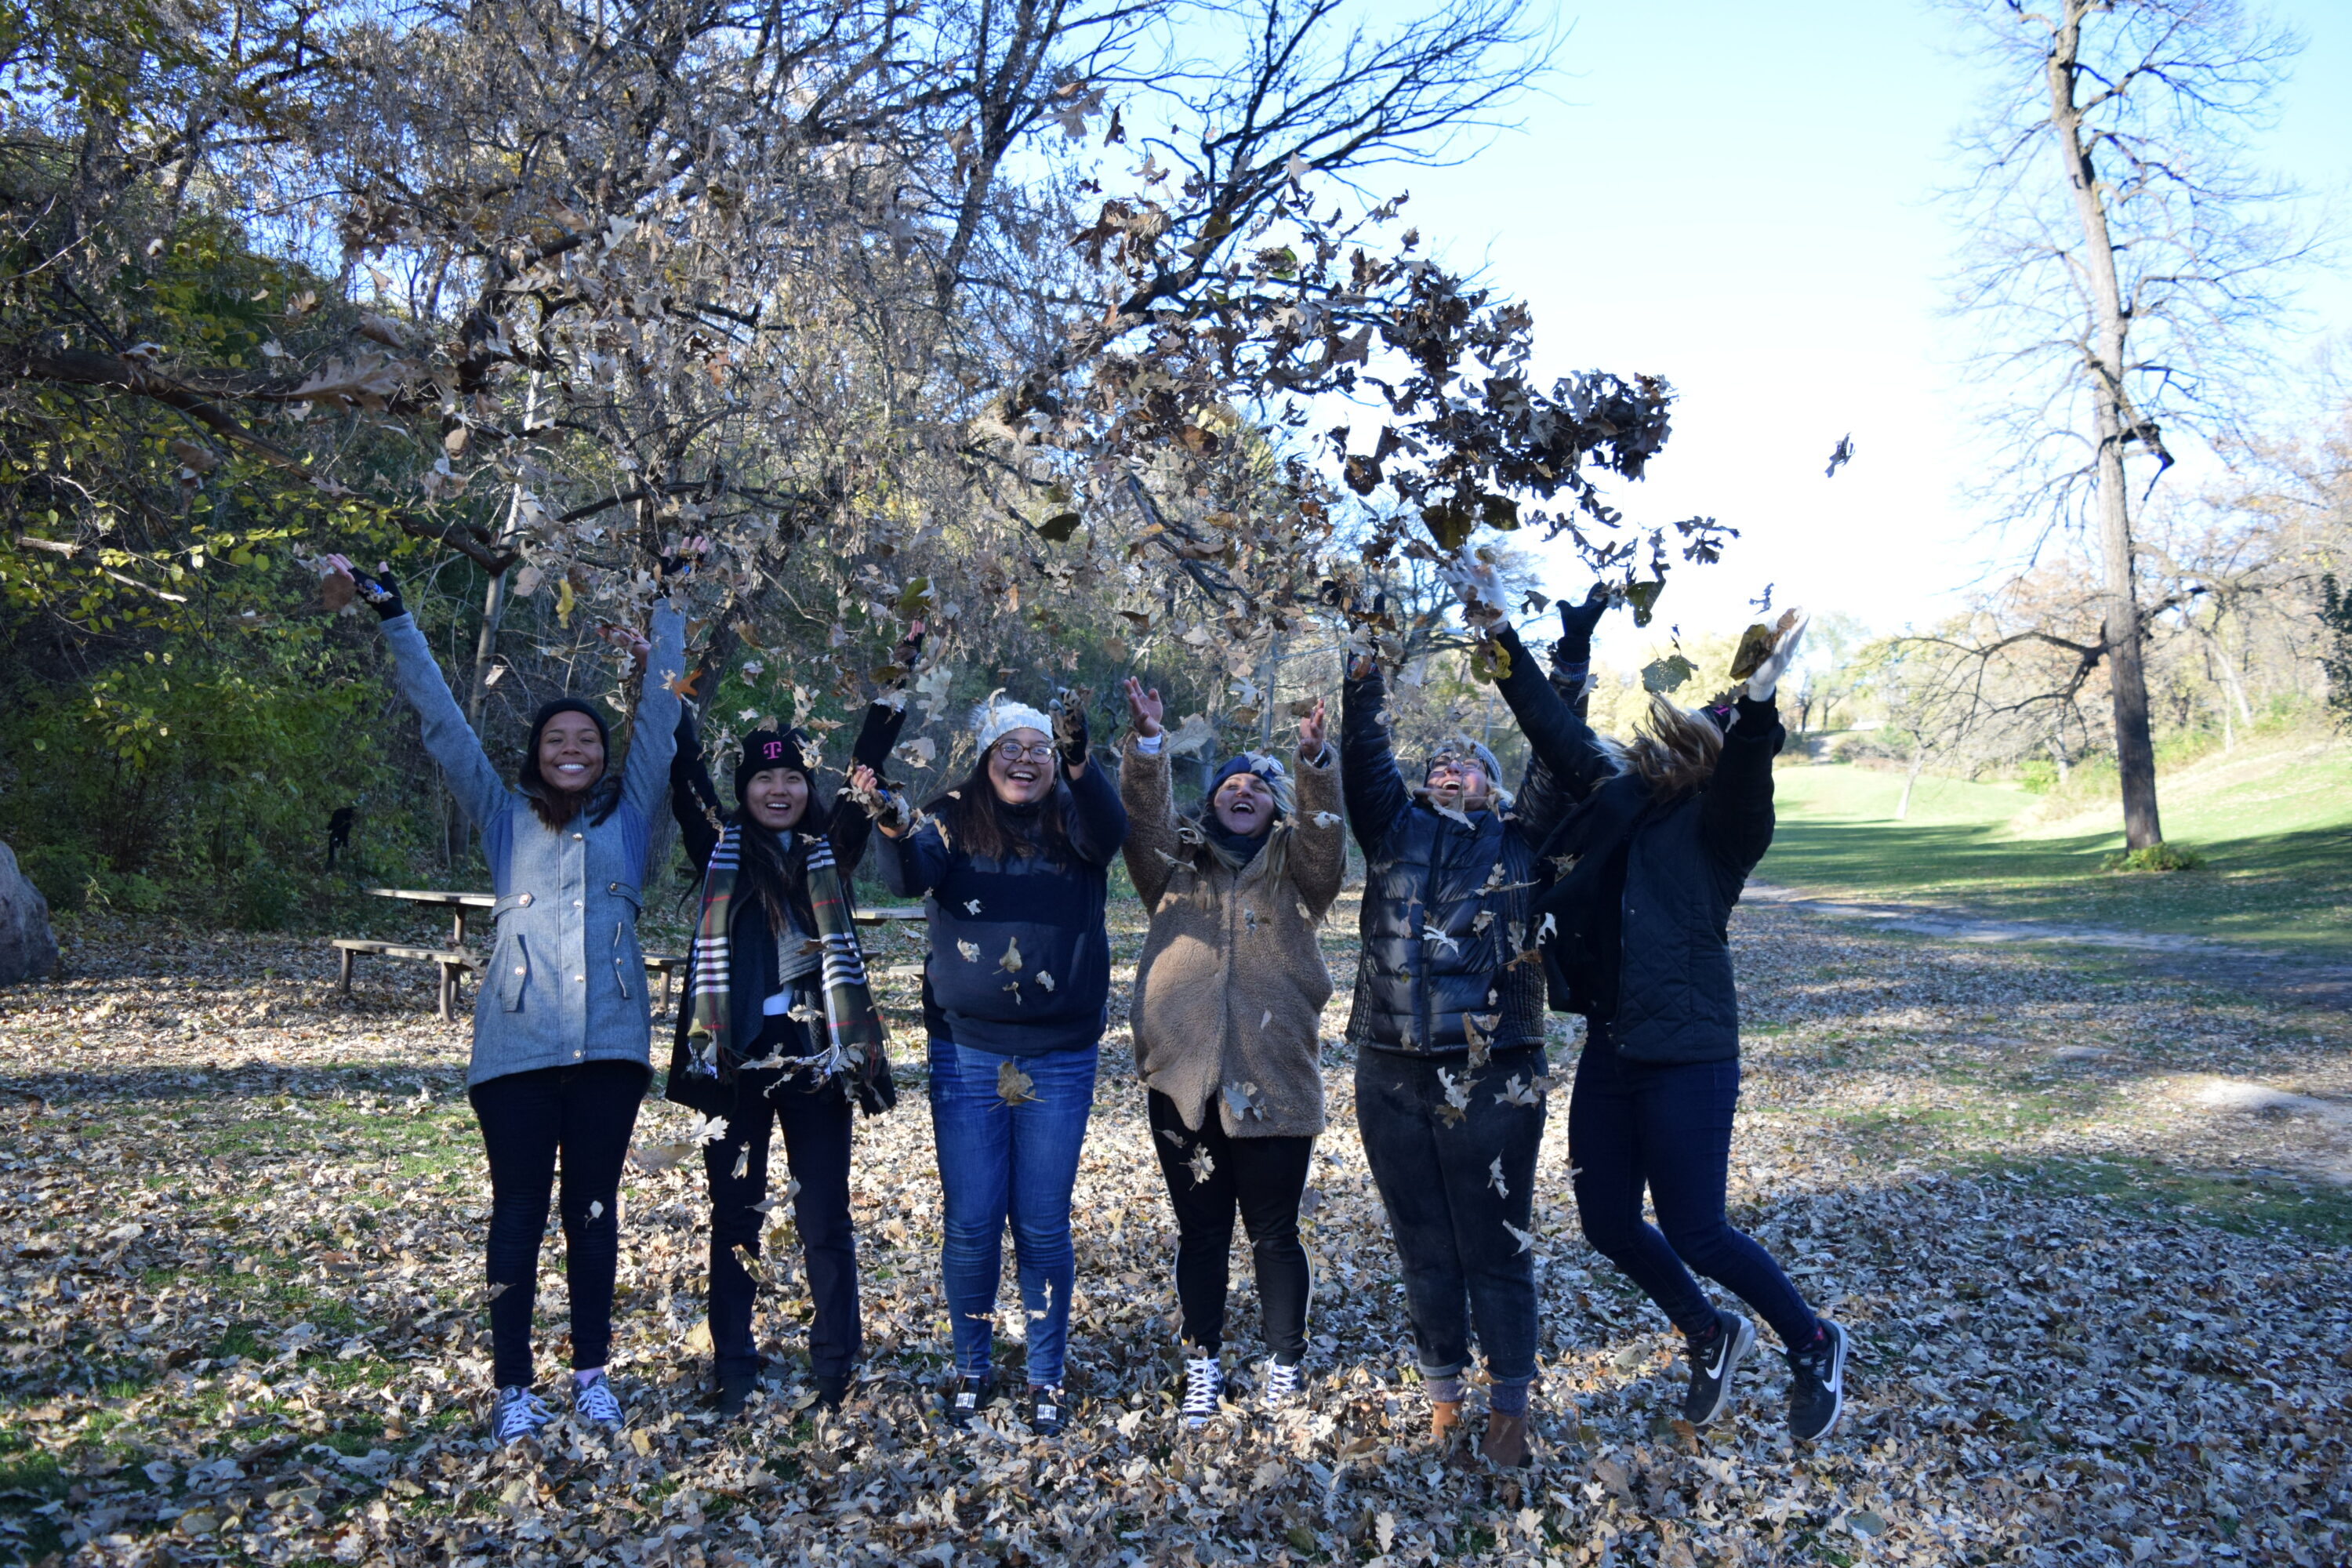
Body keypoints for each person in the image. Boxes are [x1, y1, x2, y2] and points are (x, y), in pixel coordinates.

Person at [324, 552, 684, 1446]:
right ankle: (514, 1386)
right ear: (537, 752)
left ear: (602, 757)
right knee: (518, 1213)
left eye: (587, 740)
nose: (573, 749)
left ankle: (592, 1373)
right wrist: (396, 617)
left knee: (592, 1208)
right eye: (558, 739)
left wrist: (672, 593)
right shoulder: (502, 814)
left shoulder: (630, 816)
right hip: (514, 1052)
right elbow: (445, 728)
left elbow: (663, 722)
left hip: (609, 1046)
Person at [1483, 597, 1851, 1443]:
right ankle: (1709, 1329)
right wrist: (1500, 634)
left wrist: (1756, 704)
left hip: (1689, 1053)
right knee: (1606, 1222)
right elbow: (1549, 726)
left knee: (1698, 1227)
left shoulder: (1727, 827)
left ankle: (1813, 1339)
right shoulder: (1621, 801)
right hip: (1614, 1048)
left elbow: (1749, 764)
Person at [662, 630, 920, 1418]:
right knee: (736, 1212)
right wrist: (669, 674)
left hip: (815, 1058)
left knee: (822, 1216)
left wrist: (897, 671)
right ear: (745, 788)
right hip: (734, 1059)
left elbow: (865, 762)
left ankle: (835, 1366)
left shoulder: (826, 846)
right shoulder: (718, 848)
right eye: (764, 776)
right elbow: (683, 769)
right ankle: (734, 1365)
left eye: (791, 776)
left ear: (808, 786)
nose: (778, 787)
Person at [858, 691, 1127, 1437]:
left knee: (1042, 1227)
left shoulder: (1076, 816)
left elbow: (1114, 831)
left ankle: (1046, 1374)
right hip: (967, 1051)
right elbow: (908, 876)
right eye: (1008, 748)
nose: (1023, 760)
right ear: (984, 758)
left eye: (1037, 749)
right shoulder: (949, 817)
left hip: (1061, 1054)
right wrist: (890, 818)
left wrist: (1080, 759)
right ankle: (972, 1364)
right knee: (973, 1224)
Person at [1339, 648, 1553, 1468]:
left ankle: (1509, 1408)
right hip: (1389, 1067)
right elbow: (1366, 762)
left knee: (1495, 1244)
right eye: (1436, 760)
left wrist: (1559, 667)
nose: (1446, 767)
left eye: (1465, 762)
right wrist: (1365, 682)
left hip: (1494, 1069)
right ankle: (1442, 1399)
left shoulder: (1521, 837)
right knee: (1422, 1242)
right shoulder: (1392, 829)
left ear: (1493, 785)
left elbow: (1555, 753)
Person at [1119, 680, 1345, 1429]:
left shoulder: (1299, 874)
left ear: (1277, 805)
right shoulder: (1174, 866)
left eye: (1259, 786)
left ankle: (1283, 1363)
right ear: (1212, 800)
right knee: (1202, 1231)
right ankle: (1204, 1362)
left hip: (1275, 1078)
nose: (1242, 792)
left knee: (1274, 1233)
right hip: (1183, 1081)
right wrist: (1149, 746)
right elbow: (1144, 817)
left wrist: (1312, 762)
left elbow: (1324, 840)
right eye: (1230, 785)